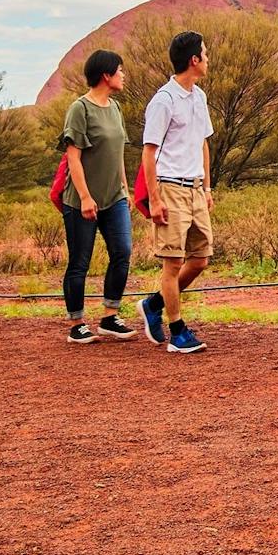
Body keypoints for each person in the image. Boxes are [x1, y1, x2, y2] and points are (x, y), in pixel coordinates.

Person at [137, 30, 214, 354]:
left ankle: (154, 304)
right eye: (205, 54)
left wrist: (207, 186)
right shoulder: (164, 101)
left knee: (200, 258)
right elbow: (148, 152)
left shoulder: (199, 96)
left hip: (195, 189)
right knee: (172, 262)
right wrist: (154, 198)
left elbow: (203, 143)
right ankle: (177, 331)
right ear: (194, 60)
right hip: (170, 188)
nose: (208, 60)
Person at [59, 49, 135, 343]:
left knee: (122, 252)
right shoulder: (80, 109)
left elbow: (117, 153)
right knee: (80, 261)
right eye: (120, 70)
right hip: (81, 200)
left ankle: (109, 316)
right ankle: (77, 323)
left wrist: (125, 189)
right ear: (106, 75)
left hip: (114, 197)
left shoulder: (115, 108)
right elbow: (73, 158)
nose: (123, 75)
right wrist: (85, 197)